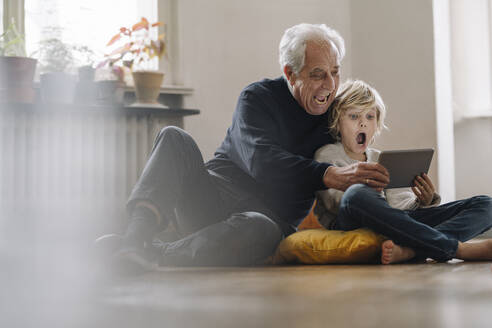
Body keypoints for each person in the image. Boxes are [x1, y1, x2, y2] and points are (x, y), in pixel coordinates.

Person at [95, 23, 390, 271]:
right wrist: (326, 174)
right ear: (290, 74)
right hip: (211, 197)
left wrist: (410, 191)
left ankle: (154, 253)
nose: (330, 85)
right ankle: (134, 240)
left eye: (335, 72)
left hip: (263, 223)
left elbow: (359, 151)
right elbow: (262, 160)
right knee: (174, 136)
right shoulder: (257, 97)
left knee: (261, 229)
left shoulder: (334, 117)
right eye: (317, 74)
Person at [314, 79, 492, 264]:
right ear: (337, 121)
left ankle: (412, 251)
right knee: (356, 194)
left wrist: (423, 202)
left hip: (398, 224)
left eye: (370, 116)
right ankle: (457, 249)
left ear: (377, 124)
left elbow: (401, 209)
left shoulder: (380, 157)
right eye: (353, 116)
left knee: (486, 205)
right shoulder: (327, 154)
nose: (363, 124)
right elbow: (336, 202)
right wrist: (370, 191)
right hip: (355, 221)